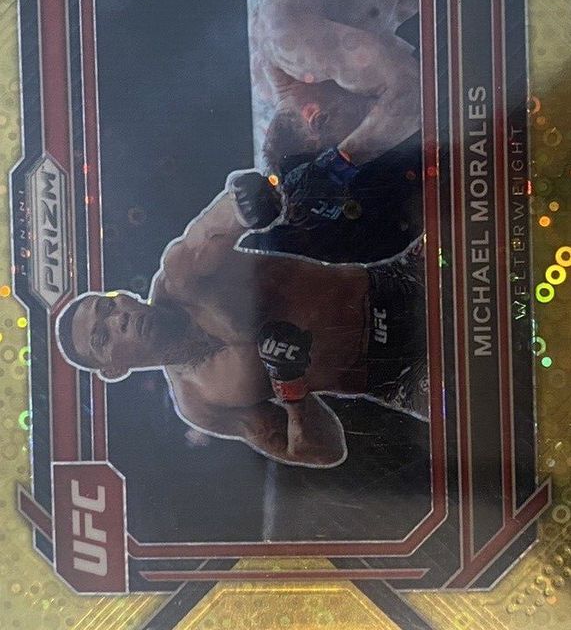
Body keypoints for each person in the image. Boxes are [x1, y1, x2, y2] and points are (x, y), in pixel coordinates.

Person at [56, 172, 427, 469]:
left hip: (398, 282)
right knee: (462, 409)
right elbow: (324, 451)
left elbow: (212, 229)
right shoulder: (199, 404)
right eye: (102, 337)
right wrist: (291, 387)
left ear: (124, 295)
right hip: (398, 377)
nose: (119, 319)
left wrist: (244, 203)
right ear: (113, 370)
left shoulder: (181, 276)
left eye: (108, 306)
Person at [251, 0, 421, 176]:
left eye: (353, 125)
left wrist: (342, 162)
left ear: (316, 117)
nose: (368, 111)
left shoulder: (296, 53)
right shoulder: (270, 79)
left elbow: (412, 92)